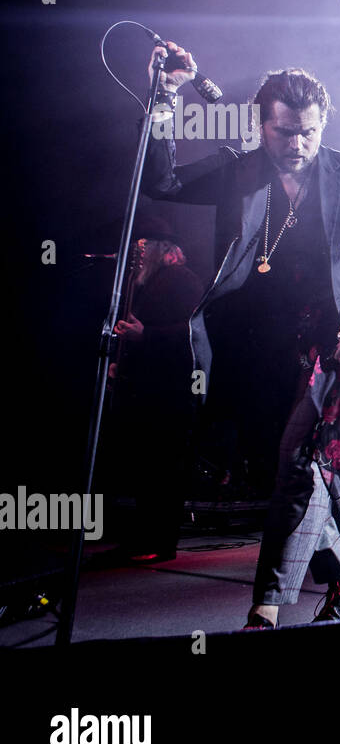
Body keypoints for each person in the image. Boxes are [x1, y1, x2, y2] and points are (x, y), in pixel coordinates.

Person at [142, 44, 340, 629]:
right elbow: (158, 180)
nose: (297, 145)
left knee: (295, 459)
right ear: (262, 127)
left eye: (308, 133)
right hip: (258, 351)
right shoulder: (238, 172)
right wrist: (165, 96)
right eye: (285, 133)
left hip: (333, 345)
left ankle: (264, 610)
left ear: (322, 125)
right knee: (288, 469)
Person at [108, 210, 205, 562]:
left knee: (163, 469)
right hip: (149, 390)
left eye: (143, 245)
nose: (138, 251)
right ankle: (145, 538)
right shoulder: (149, 283)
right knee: (148, 468)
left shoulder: (181, 279)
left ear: (162, 249)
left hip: (171, 393)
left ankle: (158, 542)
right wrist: (123, 361)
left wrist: (144, 335)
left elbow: (194, 335)